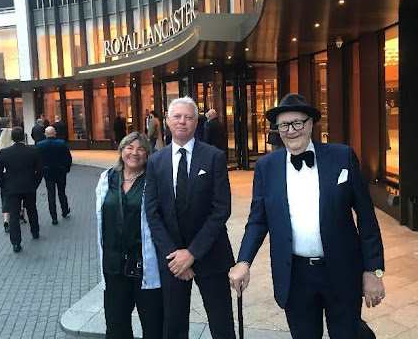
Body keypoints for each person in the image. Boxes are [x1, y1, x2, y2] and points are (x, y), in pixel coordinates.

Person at [229, 94, 385, 339]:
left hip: (341, 271)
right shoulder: (266, 167)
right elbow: (258, 220)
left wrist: (374, 271)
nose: (291, 131)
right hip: (295, 276)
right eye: (283, 125)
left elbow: (366, 217)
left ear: (311, 124)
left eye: (297, 123)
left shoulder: (342, 156)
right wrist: (243, 261)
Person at [145, 96, 235, 339]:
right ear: (167, 121)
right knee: (173, 326)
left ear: (197, 122)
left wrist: (192, 253)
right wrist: (177, 255)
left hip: (211, 255)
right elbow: (152, 212)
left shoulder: (214, 156)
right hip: (172, 260)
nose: (182, 121)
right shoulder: (155, 161)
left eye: (189, 117)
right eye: (177, 116)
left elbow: (221, 209)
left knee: (222, 325)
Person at [96, 132, 163, 339]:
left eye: (141, 149)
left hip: (144, 266)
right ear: (121, 151)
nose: (135, 153)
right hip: (114, 266)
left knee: (154, 325)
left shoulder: (153, 181)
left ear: (147, 154)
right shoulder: (107, 178)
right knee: (116, 326)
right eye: (130, 147)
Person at [0, 127, 43, 253]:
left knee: (14, 215)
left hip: (11, 187)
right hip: (28, 186)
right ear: (24, 137)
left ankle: (16, 243)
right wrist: (35, 183)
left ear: (12, 137)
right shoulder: (33, 151)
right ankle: (35, 231)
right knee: (32, 209)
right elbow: (40, 170)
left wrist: (3, 185)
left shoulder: (5, 152)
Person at [37, 126, 72, 224]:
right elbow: (68, 158)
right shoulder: (61, 143)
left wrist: (40, 171)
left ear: (45, 134)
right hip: (60, 171)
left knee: (51, 194)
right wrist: (66, 169)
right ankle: (64, 210)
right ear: (55, 133)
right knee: (62, 192)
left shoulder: (40, 145)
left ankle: (54, 217)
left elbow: (38, 159)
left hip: (48, 172)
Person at [0, 128, 14, 233]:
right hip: (12, 175)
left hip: (2, 174)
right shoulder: (12, 148)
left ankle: (6, 219)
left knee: (4, 198)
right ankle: (20, 213)